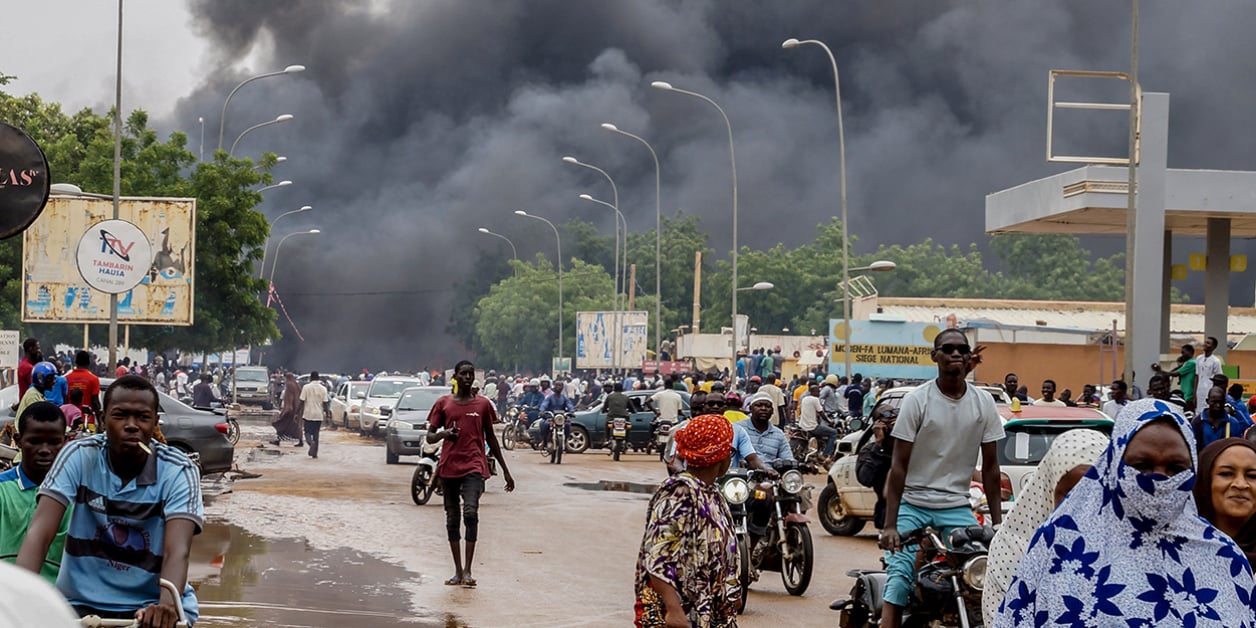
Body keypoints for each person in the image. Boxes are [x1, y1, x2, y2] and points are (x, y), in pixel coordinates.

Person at [996, 399, 1256, 626]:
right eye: (1142, 465)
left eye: (1175, 468)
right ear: (1114, 466)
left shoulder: (1224, 558)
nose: (1158, 480)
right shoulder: (1060, 546)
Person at [18, 375, 202, 626]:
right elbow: (39, 534)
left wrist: (166, 607)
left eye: (142, 417)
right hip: (77, 604)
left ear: (155, 423)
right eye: (120, 415)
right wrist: (19, 599)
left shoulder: (178, 470)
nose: (131, 425)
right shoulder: (79, 455)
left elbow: (177, 551)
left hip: (150, 605)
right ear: (102, 420)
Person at [879, 329, 1004, 628]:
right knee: (899, 581)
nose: (955, 354)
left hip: (957, 507)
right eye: (948, 349)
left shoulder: (984, 403)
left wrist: (998, 525)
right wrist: (890, 525)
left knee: (979, 578)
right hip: (913, 504)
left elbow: (991, 468)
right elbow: (898, 467)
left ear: (969, 356)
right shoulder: (917, 400)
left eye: (962, 349)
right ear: (935, 356)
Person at [981, 428, 1109, 625]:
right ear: (1049, 489)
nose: (1082, 506)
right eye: (1069, 494)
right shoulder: (1013, 548)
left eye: (1096, 493)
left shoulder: (1128, 547)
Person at [634, 414, 739, 627]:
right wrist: (674, 610)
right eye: (729, 451)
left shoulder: (711, 493)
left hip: (707, 610)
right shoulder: (680, 494)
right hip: (682, 614)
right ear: (720, 457)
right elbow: (658, 555)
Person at [425, 360, 514, 588]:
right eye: (463, 374)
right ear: (455, 377)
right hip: (449, 467)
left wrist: (505, 470)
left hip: (474, 465)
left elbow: (491, 437)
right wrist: (445, 434)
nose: (467, 377)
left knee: (471, 513)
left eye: (470, 374)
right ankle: (457, 571)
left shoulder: (483, 404)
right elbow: (430, 437)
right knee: (452, 517)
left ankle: (468, 570)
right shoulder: (443, 404)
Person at [0, 402, 72, 583]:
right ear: (18, 440)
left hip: (57, 595)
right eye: (35, 441)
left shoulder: (75, 495)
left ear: (65, 441)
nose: (45, 450)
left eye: (54, 442)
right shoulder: (3, 489)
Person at [1193, 438, 1256, 566]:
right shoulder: (1177, 551)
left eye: (1252, 476)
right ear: (1204, 481)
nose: (1241, 484)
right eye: (1226, 474)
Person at [1193, 385, 1252, 451]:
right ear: (1207, 401)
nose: (1218, 405)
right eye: (1214, 402)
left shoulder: (1233, 423)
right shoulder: (1198, 422)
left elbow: (1237, 448)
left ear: (1224, 402)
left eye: (1220, 402)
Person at [1153, 343, 1197, 410]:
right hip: (1186, 393)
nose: (1182, 355)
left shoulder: (1191, 363)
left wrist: (1160, 370)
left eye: (1183, 352)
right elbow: (1175, 371)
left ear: (1190, 352)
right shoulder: (1188, 363)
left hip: (1188, 394)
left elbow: (1175, 374)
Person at [798, 382, 837, 458]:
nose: (819, 393)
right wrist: (830, 421)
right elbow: (821, 413)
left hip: (802, 425)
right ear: (813, 392)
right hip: (812, 427)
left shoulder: (805, 399)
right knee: (834, 433)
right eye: (818, 391)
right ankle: (826, 454)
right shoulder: (815, 399)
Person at [297, 371, 329, 458]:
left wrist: (297, 413)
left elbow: (301, 401)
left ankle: (311, 444)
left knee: (307, 432)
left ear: (310, 378)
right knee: (316, 433)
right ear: (318, 378)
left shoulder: (306, 387)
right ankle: (315, 454)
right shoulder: (323, 389)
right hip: (318, 415)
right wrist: (328, 416)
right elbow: (325, 403)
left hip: (308, 414)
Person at [539, 380, 577, 452]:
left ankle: (565, 441)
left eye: (560, 385)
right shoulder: (550, 397)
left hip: (561, 418)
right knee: (545, 424)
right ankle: (544, 441)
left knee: (568, 425)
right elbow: (544, 404)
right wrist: (542, 411)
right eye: (557, 385)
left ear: (562, 387)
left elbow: (569, 405)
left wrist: (571, 412)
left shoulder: (564, 398)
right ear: (554, 386)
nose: (558, 387)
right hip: (551, 417)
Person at [65, 350, 102, 417]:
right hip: (87, 420)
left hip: (70, 419)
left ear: (75, 362)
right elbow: (95, 402)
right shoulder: (94, 379)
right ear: (88, 363)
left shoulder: (66, 379)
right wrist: (100, 420)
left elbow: (65, 400)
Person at [270, 372, 303, 446]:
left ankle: (278, 440)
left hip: (290, 410)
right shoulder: (297, 385)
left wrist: (286, 409)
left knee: (281, 424)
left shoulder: (289, 385)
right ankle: (300, 441)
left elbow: (289, 398)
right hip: (298, 409)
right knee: (296, 426)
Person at [1194, 336, 1224, 414]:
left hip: (1209, 390)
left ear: (1213, 347)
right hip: (1199, 391)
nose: (1205, 344)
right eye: (1205, 342)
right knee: (1198, 412)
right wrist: (1194, 393)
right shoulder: (1199, 358)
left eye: (1208, 343)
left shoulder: (1216, 361)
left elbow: (1219, 379)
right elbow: (1197, 376)